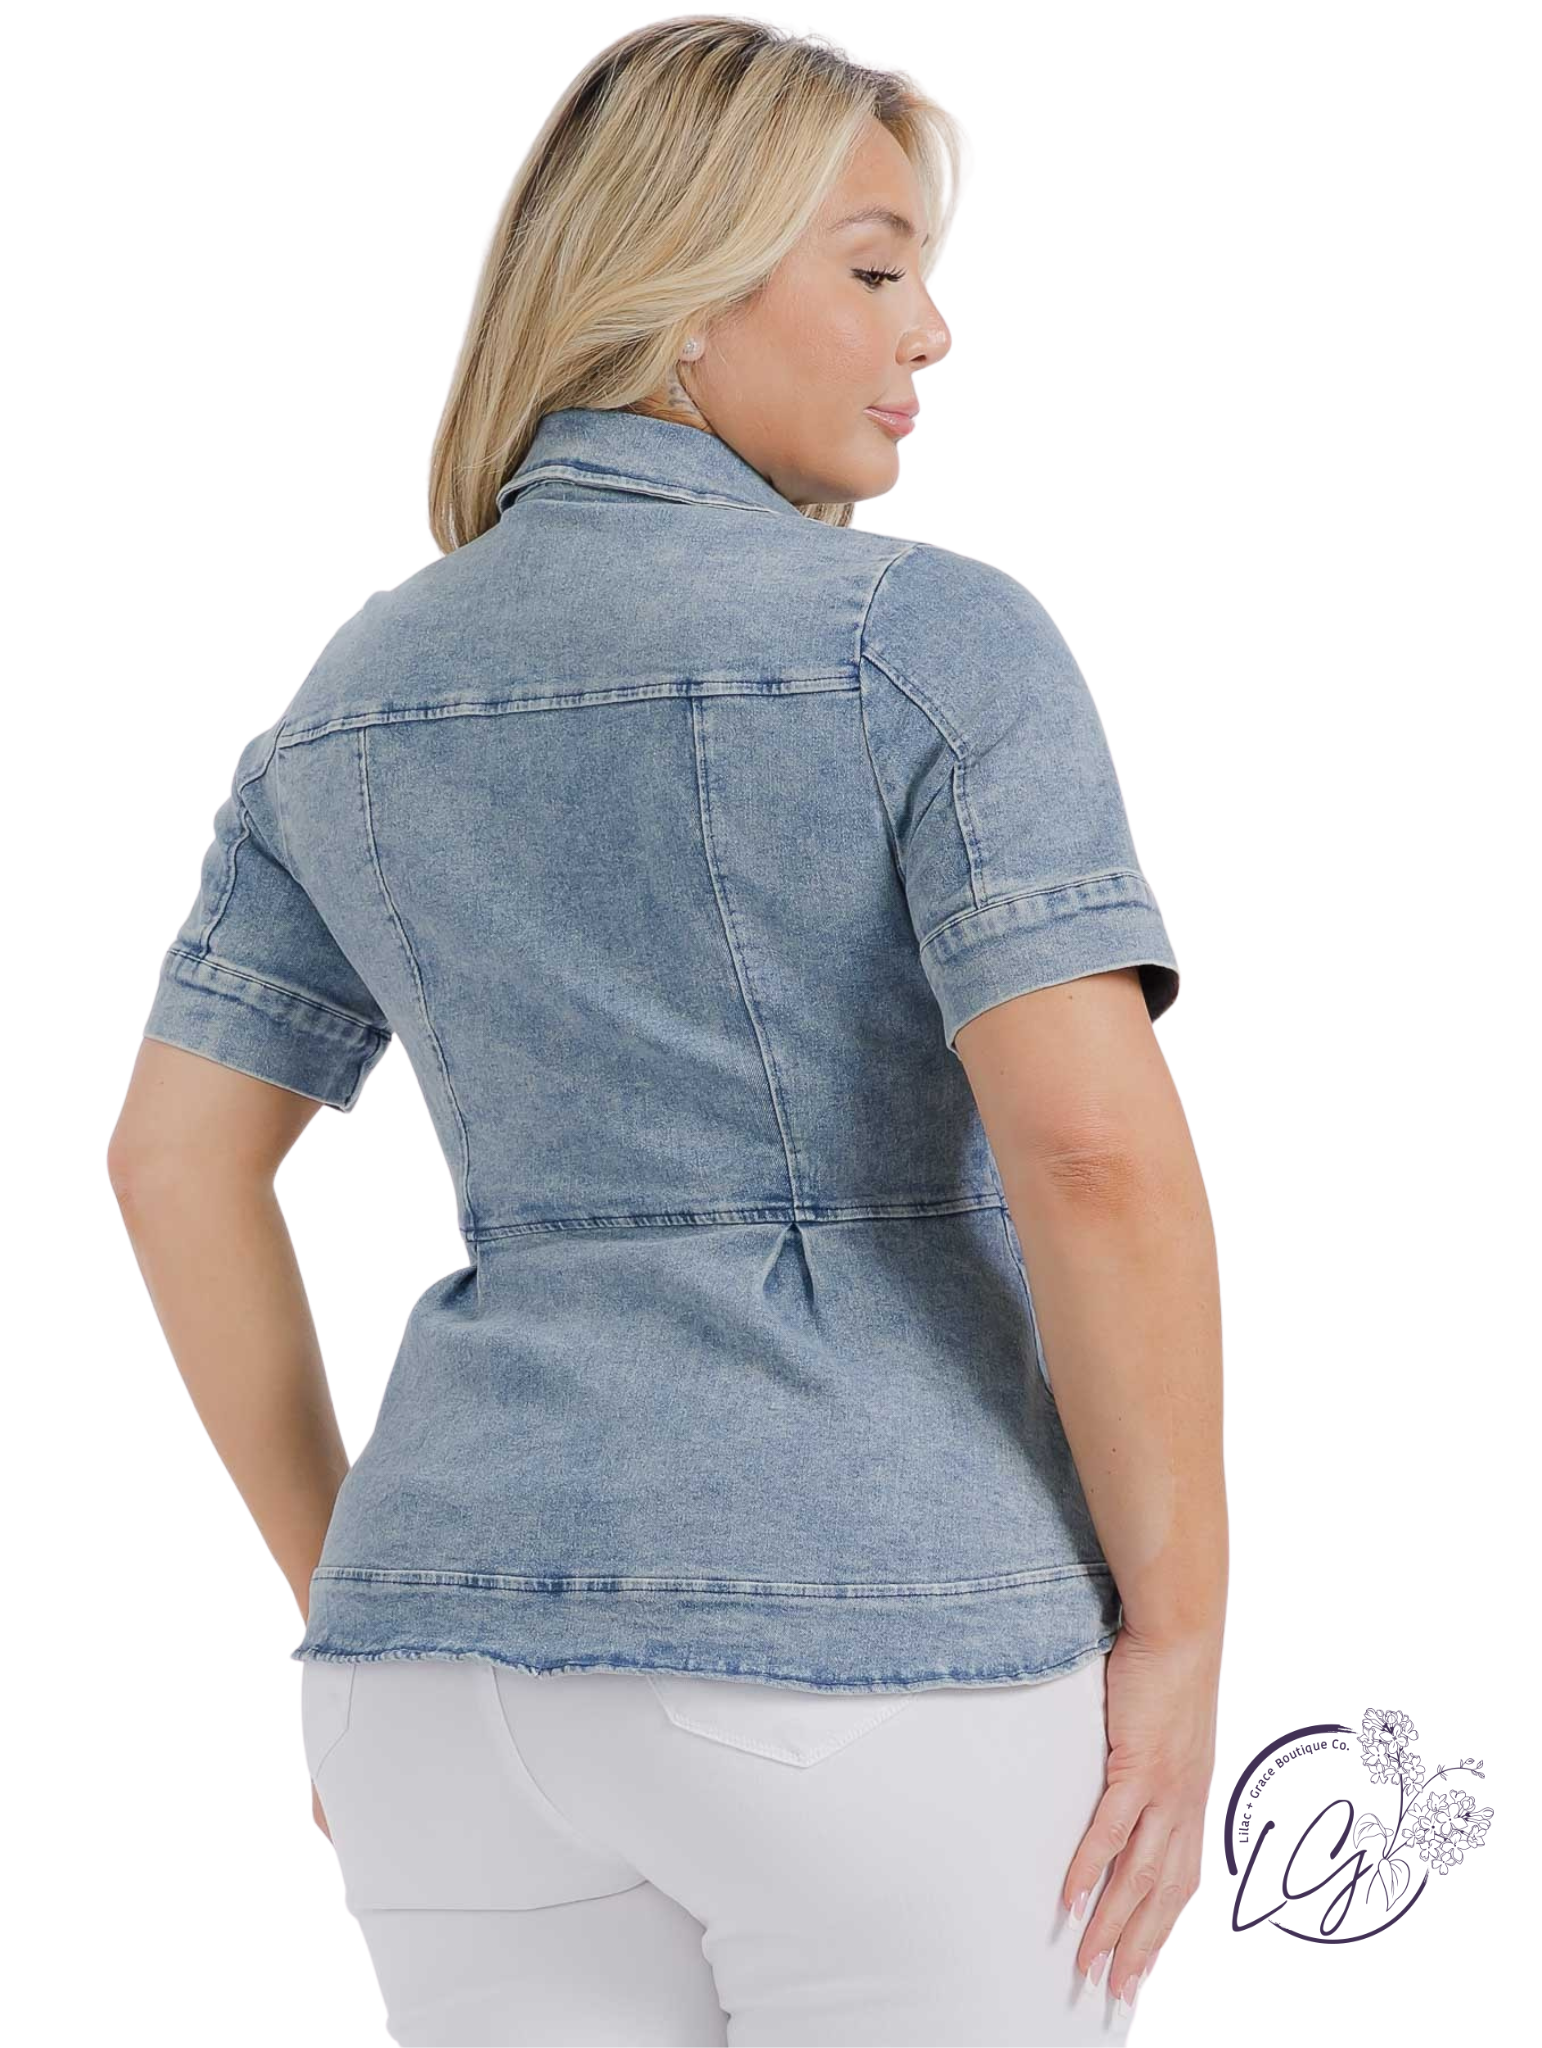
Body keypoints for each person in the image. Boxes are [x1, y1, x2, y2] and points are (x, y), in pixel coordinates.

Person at [107, 16, 1226, 2046]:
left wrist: (367, 1587)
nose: (932, 330)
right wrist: (1180, 1631)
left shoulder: (350, 695)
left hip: (438, 1683)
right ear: (681, 290)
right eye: (876, 267)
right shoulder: (924, 644)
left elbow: (172, 1161)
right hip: (870, 1638)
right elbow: (1089, 1152)